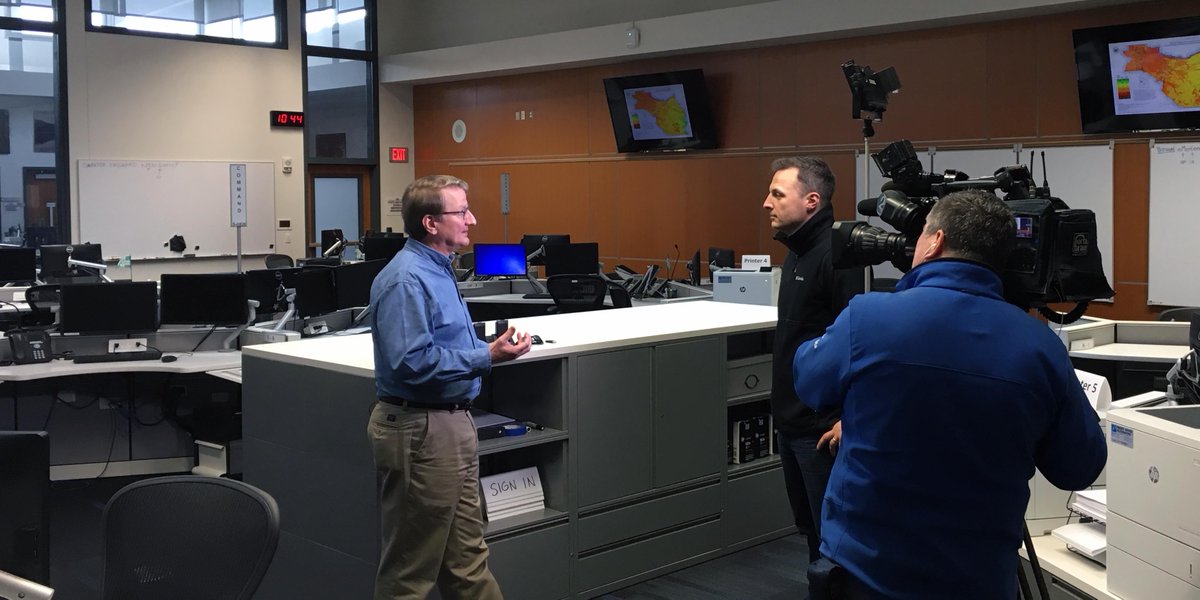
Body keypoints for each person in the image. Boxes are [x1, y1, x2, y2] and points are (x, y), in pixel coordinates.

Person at [793, 189, 1107, 599]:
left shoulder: (868, 317)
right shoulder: (1041, 347)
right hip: (980, 581)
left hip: (864, 576)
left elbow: (808, 382)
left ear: (935, 241)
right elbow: (1080, 467)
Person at [367, 174, 532, 600]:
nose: (471, 220)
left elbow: (444, 343)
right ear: (431, 223)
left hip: (448, 426)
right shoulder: (407, 279)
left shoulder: (439, 271)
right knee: (409, 573)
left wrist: (488, 348)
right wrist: (486, 356)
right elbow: (411, 362)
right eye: (462, 212)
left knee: (467, 563)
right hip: (422, 430)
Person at [762, 156, 864, 564]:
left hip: (822, 429)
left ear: (811, 201)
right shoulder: (796, 251)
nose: (766, 203)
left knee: (832, 539)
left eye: (777, 194)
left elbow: (858, 344)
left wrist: (848, 418)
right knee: (809, 530)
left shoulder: (838, 257)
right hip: (791, 421)